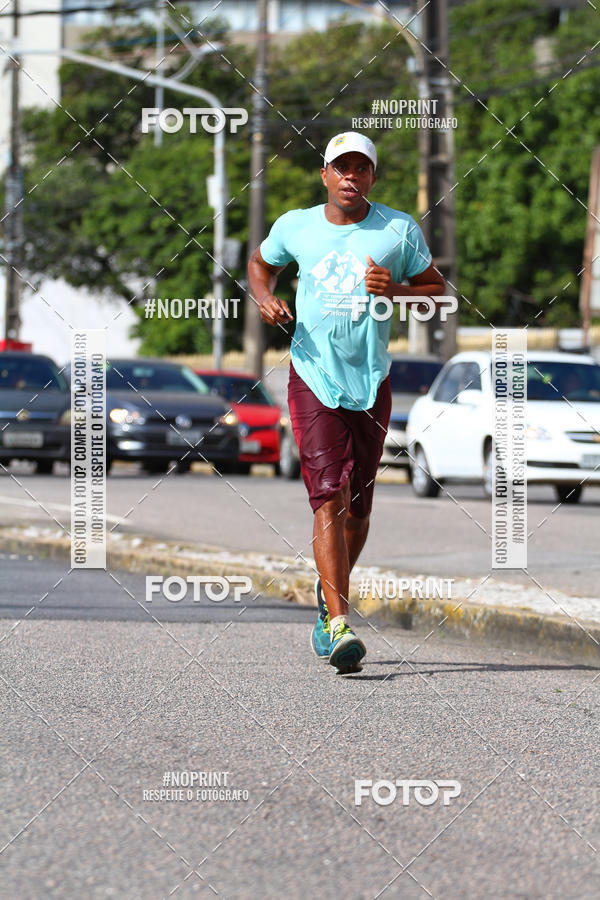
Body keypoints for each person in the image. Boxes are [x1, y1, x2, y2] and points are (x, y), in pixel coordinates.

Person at [248, 132, 445, 674]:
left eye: (361, 168)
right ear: (325, 175)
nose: (351, 177)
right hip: (311, 376)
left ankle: (326, 591)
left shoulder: (397, 229)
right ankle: (338, 623)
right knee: (328, 494)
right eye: (341, 168)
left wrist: (397, 291)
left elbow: (438, 291)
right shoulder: (296, 226)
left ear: (373, 177)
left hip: (370, 381)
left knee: (358, 508)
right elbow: (260, 265)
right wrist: (266, 300)